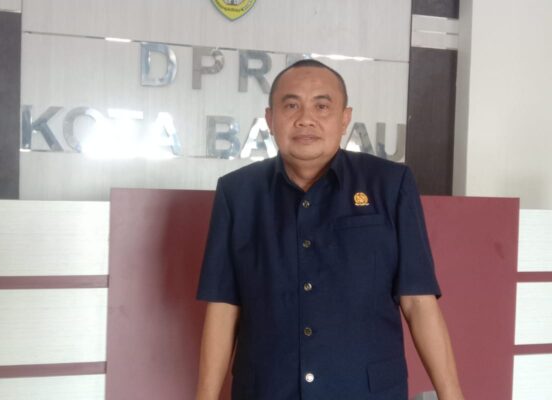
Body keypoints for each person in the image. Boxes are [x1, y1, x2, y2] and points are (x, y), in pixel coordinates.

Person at [195, 59, 464, 400]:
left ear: (344, 118)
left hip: (366, 392)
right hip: (267, 390)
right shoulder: (237, 193)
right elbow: (223, 306)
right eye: (291, 105)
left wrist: (451, 394)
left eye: (322, 106)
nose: (305, 119)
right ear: (270, 119)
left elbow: (418, 301)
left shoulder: (389, 184)